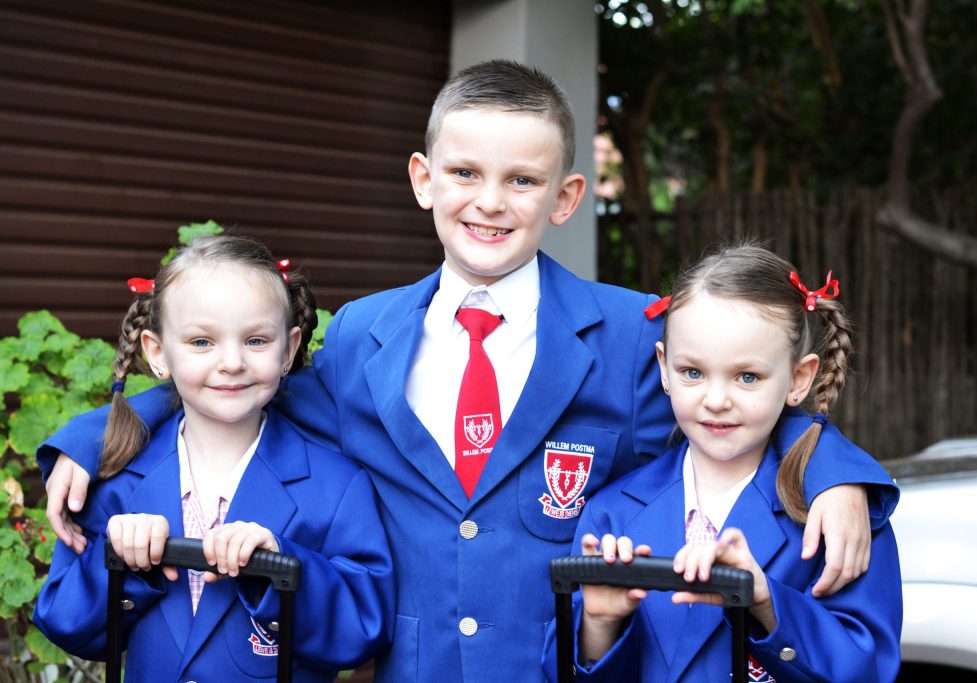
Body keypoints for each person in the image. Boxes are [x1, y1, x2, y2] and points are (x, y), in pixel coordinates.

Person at [37, 61, 897, 682]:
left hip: (558, 665)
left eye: (522, 179)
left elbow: (731, 405)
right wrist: (106, 428)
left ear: (564, 198)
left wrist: (831, 469)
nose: (489, 201)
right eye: (464, 173)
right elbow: (243, 390)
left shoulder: (634, 333)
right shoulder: (363, 334)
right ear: (423, 180)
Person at [33, 236, 394, 682]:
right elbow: (64, 623)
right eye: (202, 342)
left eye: (256, 340)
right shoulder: (117, 479)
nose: (231, 362)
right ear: (157, 352)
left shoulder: (338, 487)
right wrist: (120, 562)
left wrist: (281, 566)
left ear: (289, 348)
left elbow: (364, 630)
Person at [542, 244, 902, 682]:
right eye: (692, 372)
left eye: (747, 377)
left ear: (799, 379)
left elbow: (867, 670)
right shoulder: (611, 512)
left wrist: (768, 604)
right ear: (663, 368)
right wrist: (598, 624)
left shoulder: (833, 518)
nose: (715, 400)